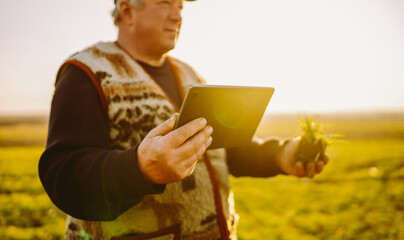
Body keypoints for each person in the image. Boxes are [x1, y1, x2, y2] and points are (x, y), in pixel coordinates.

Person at [38, 0, 329, 239]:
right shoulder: (86, 73)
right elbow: (62, 174)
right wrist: (139, 169)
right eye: (165, 2)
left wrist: (280, 155)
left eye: (181, 6)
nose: (177, 15)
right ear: (127, 11)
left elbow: (222, 148)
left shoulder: (190, 75)